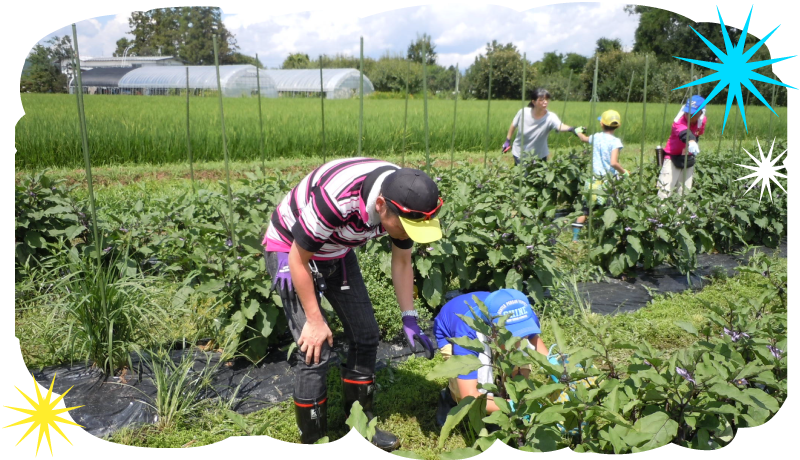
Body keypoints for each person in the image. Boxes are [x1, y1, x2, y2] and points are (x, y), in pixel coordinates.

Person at [263, 158, 443, 450]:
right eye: (407, 227)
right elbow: (299, 257)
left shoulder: (407, 198)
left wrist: (409, 316)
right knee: (314, 348)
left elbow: (402, 261)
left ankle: (361, 424)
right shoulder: (339, 198)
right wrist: (315, 319)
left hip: (336, 249)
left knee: (367, 335)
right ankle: (315, 440)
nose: (410, 234)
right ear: (381, 204)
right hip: (292, 251)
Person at [432, 289, 550, 426]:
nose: (519, 341)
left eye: (521, 334)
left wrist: (556, 367)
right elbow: (469, 395)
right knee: (475, 385)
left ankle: (507, 397)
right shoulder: (467, 335)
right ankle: (449, 398)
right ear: (494, 330)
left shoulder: (523, 313)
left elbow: (534, 339)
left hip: (490, 322)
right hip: (450, 330)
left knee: (520, 368)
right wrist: (512, 408)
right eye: (512, 335)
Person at [571, 110, 630, 242]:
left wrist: (578, 131)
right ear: (618, 126)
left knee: (586, 210)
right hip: (607, 183)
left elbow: (583, 138)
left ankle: (575, 238)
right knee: (610, 209)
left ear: (602, 124)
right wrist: (624, 172)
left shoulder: (596, 137)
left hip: (593, 181)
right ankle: (606, 236)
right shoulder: (615, 142)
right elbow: (613, 163)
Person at [502, 89, 582, 167]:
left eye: (547, 99)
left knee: (539, 179)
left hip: (540, 154)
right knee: (523, 177)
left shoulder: (550, 117)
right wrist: (508, 141)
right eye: (541, 100)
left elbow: (560, 126)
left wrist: (572, 129)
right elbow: (513, 124)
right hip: (520, 152)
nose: (545, 102)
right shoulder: (523, 112)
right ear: (534, 102)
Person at [658, 95, 707, 199]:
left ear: (700, 113)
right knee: (665, 189)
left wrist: (695, 140)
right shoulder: (678, 121)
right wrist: (692, 141)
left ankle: (681, 213)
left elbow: (699, 132)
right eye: (687, 111)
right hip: (672, 157)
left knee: (684, 191)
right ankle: (659, 214)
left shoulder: (702, 120)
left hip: (688, 158)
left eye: (692, 113)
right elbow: (685, 133)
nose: (688, 115)